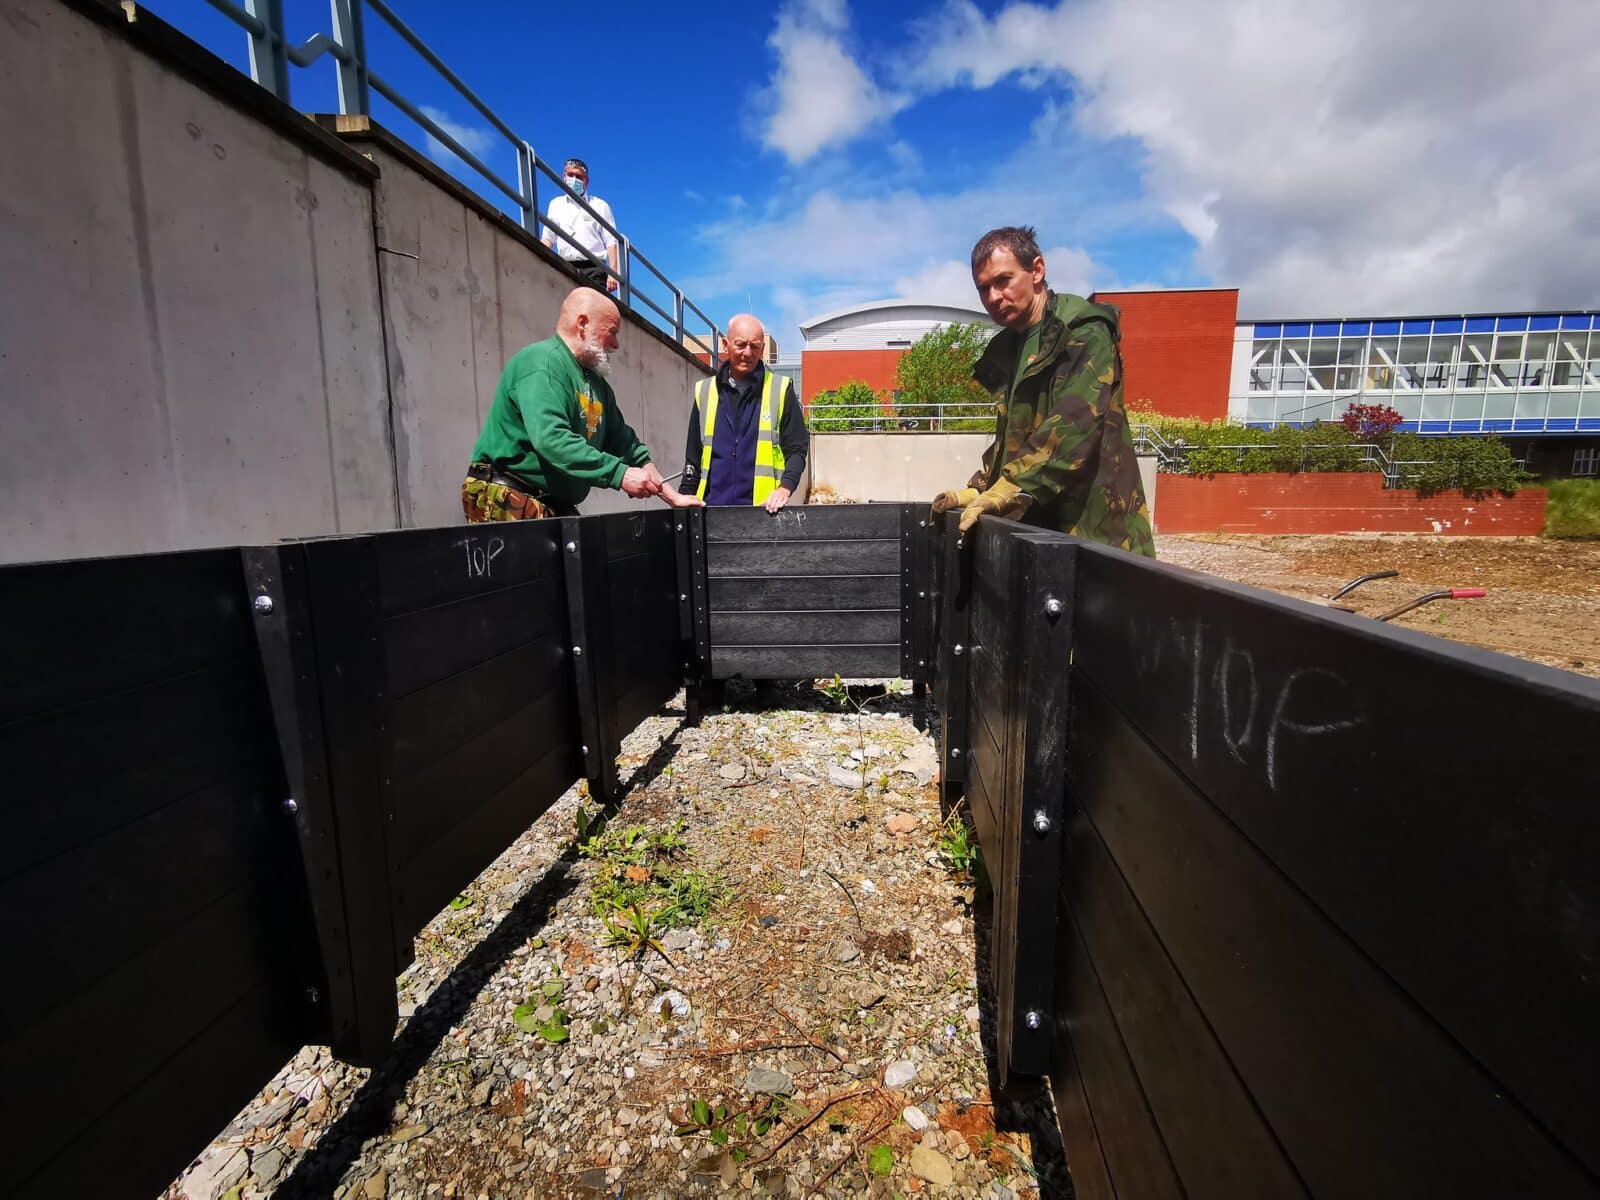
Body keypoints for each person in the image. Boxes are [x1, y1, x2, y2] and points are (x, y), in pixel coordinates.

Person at [931, 226, 1155, 556]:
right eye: (983, 288)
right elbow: (1015, 441)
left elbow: (1071, 428)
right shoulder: (1011, 348)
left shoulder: (1083, 331)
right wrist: (979, 488)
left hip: (1098, 536)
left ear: (1037, 270)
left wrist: (1008, 488)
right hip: (1043, 535)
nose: (993, 297)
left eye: (1003, 280)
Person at [463, 288, 700, 521]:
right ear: (583, 324)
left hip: (548, 502)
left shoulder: (596, 383)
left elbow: (627, 447)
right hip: (506, 496)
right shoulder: (542, 364)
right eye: (613, 332)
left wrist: (672, 497)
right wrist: (621, 474)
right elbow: (552, 439)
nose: (616, 344)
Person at [681, 314, 808, 513]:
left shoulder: (780, 390)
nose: (747, 353)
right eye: (740, 345)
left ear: (763, 349)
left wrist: (785, 488)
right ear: (725, 344)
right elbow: (693, 458)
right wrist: (684, 501)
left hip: (763, 514)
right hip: (711, 513)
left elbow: (797, 450)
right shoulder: (705, 392)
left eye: (754, 346)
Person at [540, 157, 619, 294]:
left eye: (579, 177)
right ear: (564, 177)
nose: (574, 179)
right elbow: (548, 238)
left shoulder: (600, 206)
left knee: (590, 311)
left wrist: (613, 272)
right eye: (571, 175)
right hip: (564, 265)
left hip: (594, 268)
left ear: (586, 182)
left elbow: (611, 241)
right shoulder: (555, 205)